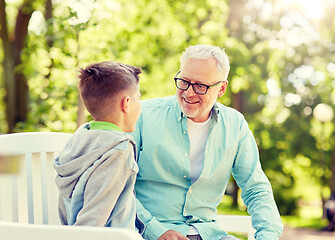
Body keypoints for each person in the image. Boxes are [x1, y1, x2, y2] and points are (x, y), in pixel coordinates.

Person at [131, 45, 283, 240]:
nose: (189, 93)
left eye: (200, 86)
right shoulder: (142, 116)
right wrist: (155, 230)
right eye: (184, 81)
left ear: (221, 88)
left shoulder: (235, 125)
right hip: (148, 232)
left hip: (210, 234)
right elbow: (120, 185)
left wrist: (267, 236)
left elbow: (256, 188)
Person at [54, 61, 143, 231]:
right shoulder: (119, 150)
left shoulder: (81, 137)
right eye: (139, 98)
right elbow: (92, 222)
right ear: (127, 103)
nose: (141, 105)